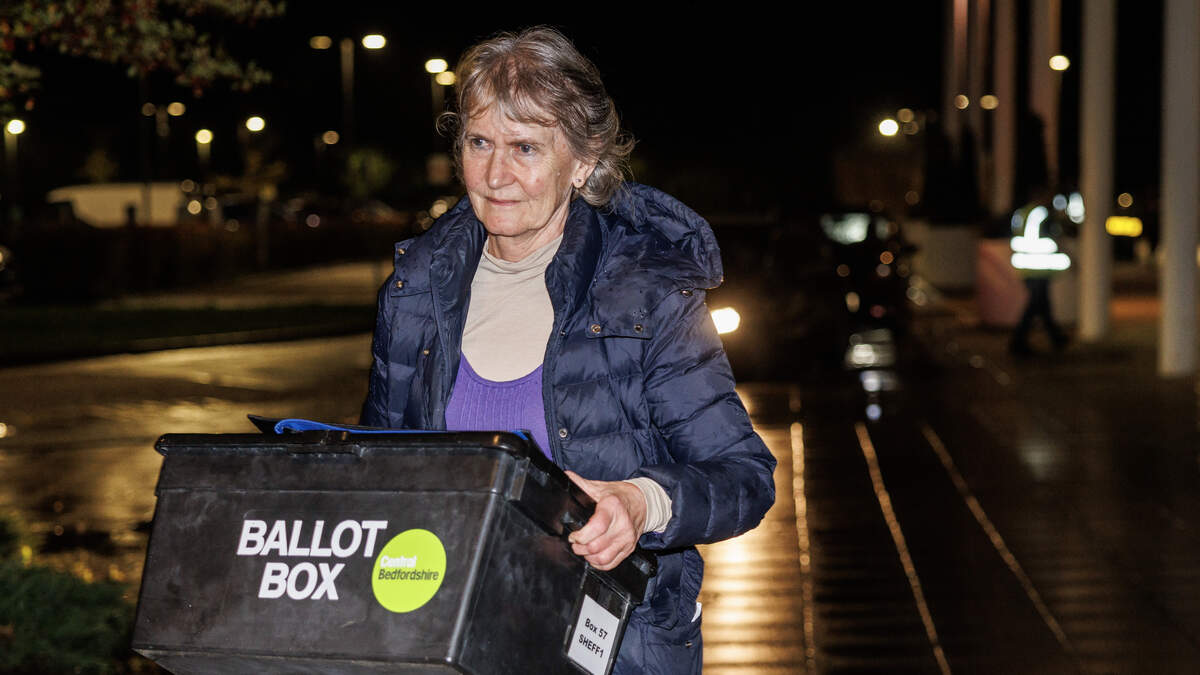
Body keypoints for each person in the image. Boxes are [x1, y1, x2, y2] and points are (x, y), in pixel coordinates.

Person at [360, 27, 776, 674]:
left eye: (525, 147)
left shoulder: (645, 291)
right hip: (448, 639)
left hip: (617, 648)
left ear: (583, 161)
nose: (495, 174)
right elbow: (379, 472)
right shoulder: (414, 290)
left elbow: (744, 476)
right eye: (479, 142)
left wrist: (640, 503)